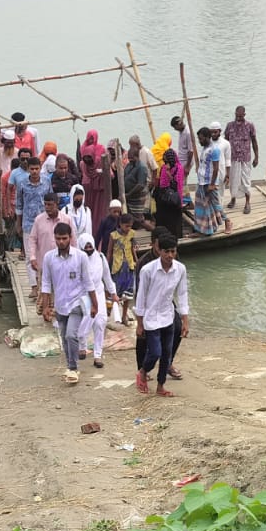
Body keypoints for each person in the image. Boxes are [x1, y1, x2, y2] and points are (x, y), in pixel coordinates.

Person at [39, 220, 97, 385]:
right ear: (54, 238)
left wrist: (95, 304)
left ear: (70, 238)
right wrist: (45, 307)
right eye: (58, 239)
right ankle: (70, 365)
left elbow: (88, 282)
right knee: (64, 338)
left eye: (64, 238)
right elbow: (46, 284)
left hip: (77, 303)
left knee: (72, 335)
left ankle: (73, 368)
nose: (61, 242)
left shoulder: (80, 257)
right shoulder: (49, 258)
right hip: (60, 305)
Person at [134, 231, 189, 397]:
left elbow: (182, 294)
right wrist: (139, 323)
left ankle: (160, 386)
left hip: (168, 316)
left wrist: (185, 320)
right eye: (167, 252)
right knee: (155, 352)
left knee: (167, 354)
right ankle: (143, 371)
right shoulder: (147, 270)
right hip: (151, 318)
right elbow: (141, 297)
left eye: (173, 251)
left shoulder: (180, 269)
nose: (170, 255)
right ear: (160, 251)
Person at [78, 232, 118, 368]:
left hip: (99, 293)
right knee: (84, 322)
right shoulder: (77, 259)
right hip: (83, 295)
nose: (89, 250)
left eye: (91, 248)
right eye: (86, 248)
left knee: (100, 322)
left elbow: (107, 277)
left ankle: (97, 355)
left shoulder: (100, 257)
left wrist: (113, 293)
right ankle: (82, 346)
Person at [27, 189, 73, 295]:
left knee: (63, 292)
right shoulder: (39, 220)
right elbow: (32, 239)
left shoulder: (66, 219)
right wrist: (32, 257)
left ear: (57, 204)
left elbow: (73, 240)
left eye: (50, 205)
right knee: (45, 294)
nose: (47, 207)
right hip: (44, 264)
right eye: (46, 204)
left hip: (64, 263)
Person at [102, 200, 138, 322]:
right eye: (126, 226)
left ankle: (124, 316)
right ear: (121, 224)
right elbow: (109, 251)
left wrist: (136, 260)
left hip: (129, 266)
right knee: (112, 291)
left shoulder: (132, 234)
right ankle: (107, 314)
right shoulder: (113, 235)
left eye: (130, 226)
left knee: (128, 293)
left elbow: (132, 249)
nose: (128, 228)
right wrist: (106, 264)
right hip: (117, 266)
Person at [191, 127, 228, 236]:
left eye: (201, 139)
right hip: (201, 182)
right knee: (200, 207)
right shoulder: (205, 148)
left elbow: (216, 168)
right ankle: (202, 230)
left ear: (208, 137)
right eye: (198, 139)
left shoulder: (214, 150)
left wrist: (212, 184)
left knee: (216, 205)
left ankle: (228, 221)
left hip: (209, 183)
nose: (199, 141)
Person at [223, 106, 258, 215]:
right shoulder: (229, 126)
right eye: (237, 115)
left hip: (245, 158)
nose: (238, 118)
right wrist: (224, 158)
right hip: (233, 158)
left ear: (244, 115)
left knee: (246, 181)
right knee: (233, 180)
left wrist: (257, 157)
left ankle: (247, 203)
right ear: (235, 114)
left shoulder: (250, 126)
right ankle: (233, 199)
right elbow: (225, 142)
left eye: (240, 116)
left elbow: (254, 142)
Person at [79, 129, 111, 228]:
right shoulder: (83, 153)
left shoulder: (101, 152)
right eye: (89, 138)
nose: (91, 140)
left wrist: (100, 173)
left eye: (93, 138)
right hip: (87, 187)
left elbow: (109, 172)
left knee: (98, 210)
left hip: (98, 189)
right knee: (89, 210)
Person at [153, 148, 185, 242]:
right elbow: (161, 183)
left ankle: (175, 238)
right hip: (163, 198)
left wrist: (168, 173)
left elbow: (176, 184)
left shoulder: (178, 169)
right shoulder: (163, 167)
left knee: (173, 222)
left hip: (173, 198)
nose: (166, 162)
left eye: (167, 160)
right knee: (162, 219)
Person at [124, 136, 151, 228]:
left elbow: (140, 184)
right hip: (129, 197)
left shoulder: (141, 167)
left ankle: (154, 231)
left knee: (139, 219)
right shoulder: (129, 165)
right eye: (129, 159)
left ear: (137, 156)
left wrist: (129, 194)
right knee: (130, 218)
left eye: (132, 159)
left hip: (137, 197)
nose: (130, 161)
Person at [172, 115, 195, 185]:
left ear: (178, 125)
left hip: (186, 161)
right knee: (179, 180)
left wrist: (187, 166)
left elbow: (191, 151)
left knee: (182, 181)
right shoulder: (181, 131)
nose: (175, 129)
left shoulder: (188, 133)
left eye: (175, 127)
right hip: (181, 160)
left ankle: (184, 194)